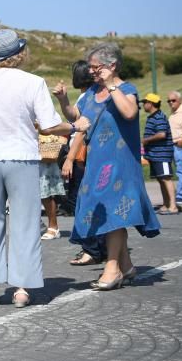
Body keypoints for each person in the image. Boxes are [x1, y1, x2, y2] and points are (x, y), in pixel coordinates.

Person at [0, 30, 88, 308]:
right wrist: (74, 126)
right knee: (24, 222)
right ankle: (21, 288)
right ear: (19, 53)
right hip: (21, 156)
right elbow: (48, 125)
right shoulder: (33, 82)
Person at [71, 42, 161, 290]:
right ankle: (127, 266)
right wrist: (61, 101)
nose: (91, 71)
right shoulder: (90, 93)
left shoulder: (127, 89)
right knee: (103, 212)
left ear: (111, 66)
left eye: (95, 67)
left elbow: (130, 113)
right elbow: (78, 119)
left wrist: (111, 84)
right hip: (96, 163)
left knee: (115, 214)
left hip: (120, 163)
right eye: (90, 67)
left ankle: (112, 270)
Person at [56, 60, 107, 266]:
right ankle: (96, 247)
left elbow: (81, 130)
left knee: (79, 202)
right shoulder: (88, 95)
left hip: (81, 158)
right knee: (82, 202)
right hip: (84, 157)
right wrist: (63, 99)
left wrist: (69, 158)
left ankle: (91, 248)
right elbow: (74, 116)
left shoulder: (92, 95)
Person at [141, 93, 178, 215]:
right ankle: (166, 204)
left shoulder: (159, 117)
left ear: (150, 104)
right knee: (161, 179)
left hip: (162, 154)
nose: (143, 105)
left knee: (166, 178)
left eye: (144, 102)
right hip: (155, 154)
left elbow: (162, 134)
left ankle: (173, 206)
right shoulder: (152, 117)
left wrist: (146, 140)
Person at [38, 132, 67, 240]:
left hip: (43, 152)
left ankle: (53, 227)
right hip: (24, 150)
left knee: (45, 193)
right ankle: (38, 224)